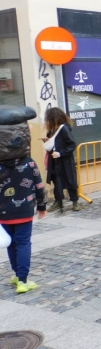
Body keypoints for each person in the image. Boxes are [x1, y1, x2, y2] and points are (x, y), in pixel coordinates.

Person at [0, 105, 47, 294]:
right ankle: (22, 279)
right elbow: (39, 186)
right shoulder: (29, 163)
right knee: (23, 243)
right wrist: (42, 207)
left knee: (11, 243)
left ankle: (16, 275)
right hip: (24, 211)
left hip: (3, 213)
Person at [43, 108, 79, 213]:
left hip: (65, 160)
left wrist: (60, 153)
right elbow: (54, 142)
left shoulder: (64, 129)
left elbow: (72, 144)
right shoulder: (53, 129)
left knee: (70, 180)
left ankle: (75, 202)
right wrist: (47, 140)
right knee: (57, 180)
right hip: (54, 161)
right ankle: (58, 201)